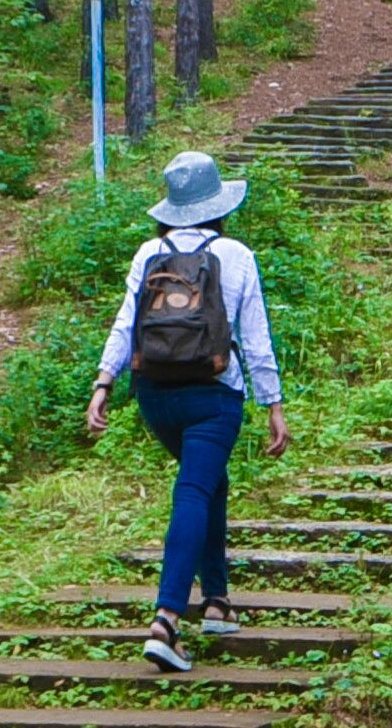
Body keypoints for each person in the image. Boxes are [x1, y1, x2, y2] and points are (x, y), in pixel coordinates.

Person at [84, 149, 286, 671]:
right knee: (195, 489)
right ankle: (166, 619)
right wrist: (273, 404)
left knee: (209, 482)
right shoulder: (236, 254)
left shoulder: (148, 251)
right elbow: (256, 335)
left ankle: (216, 601)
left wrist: (104, 382)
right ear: (217, 204)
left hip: (155, 396)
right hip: (215, 395)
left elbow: (126, 320)